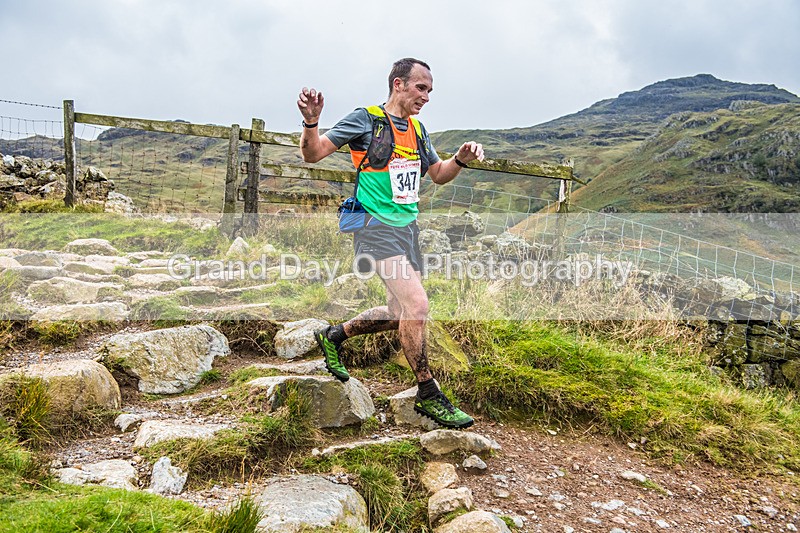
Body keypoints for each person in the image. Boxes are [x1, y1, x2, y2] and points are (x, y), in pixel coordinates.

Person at [297, 57, 484, 429]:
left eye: (430, 90)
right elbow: (313, 153)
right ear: (398, 84)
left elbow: (438, 175)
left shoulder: (418, 130)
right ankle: (429, 392)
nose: (426, 96)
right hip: (374, 227)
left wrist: (459, 160)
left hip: (407, 229)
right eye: (421, 88)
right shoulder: (365, 119)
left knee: (399, 313)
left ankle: (334, 336)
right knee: (418, 304)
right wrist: (312, 121)